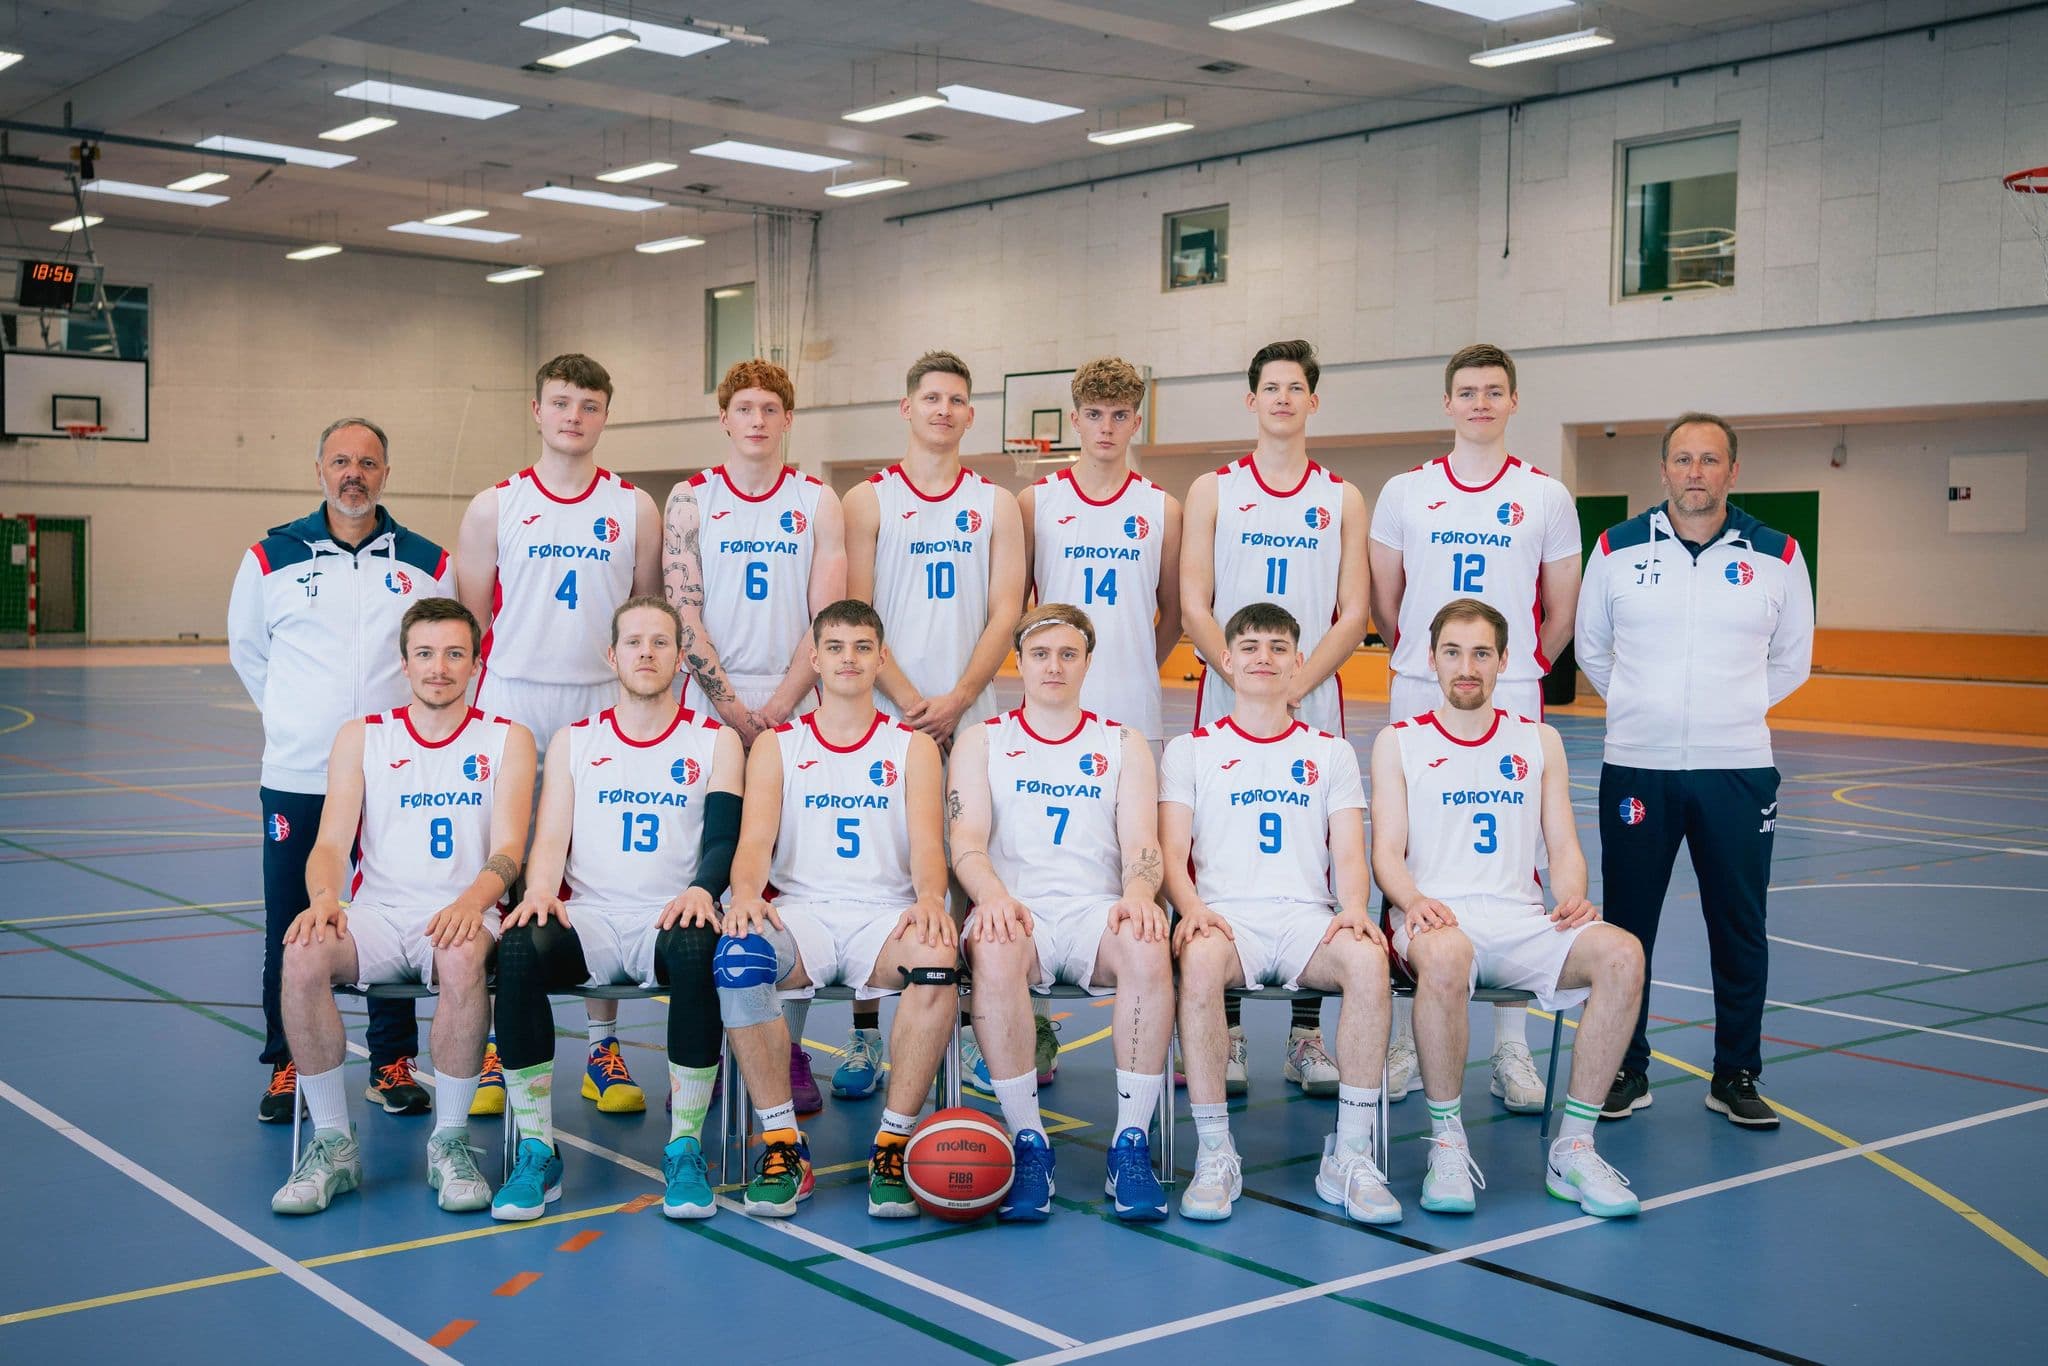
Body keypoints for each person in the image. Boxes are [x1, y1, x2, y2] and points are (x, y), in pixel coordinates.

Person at [1370, 598, 1645, 1219]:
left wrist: (1572, 893)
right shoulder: (1399, 741)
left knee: (1623, 955)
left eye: (1481, 654)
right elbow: (1386, 852)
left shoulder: (1538, 739)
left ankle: (1573, 1146)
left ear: (1503, 662)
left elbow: (1563, 846)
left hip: (1521, 919)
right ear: (1431, 660)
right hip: (1437, 919)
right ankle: (1447, 1142)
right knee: (1446, 953)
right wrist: (1412, 901)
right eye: (1453, 652)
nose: (1467, 667)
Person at [1577, 412, 1814, 1130]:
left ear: (1732, 472)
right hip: (1638, 770)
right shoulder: (1616, 547)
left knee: (1739, 926)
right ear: (1664, 470)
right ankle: (1626, 1066)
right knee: (1628, 929)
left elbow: (1791, 660)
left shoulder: (1778, 554)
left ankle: (1735, 1072)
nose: (1696, 473)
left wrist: (1726, 713)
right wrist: (1645, 709)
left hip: (1737, 771)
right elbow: (1593, 648)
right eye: (1683, 459)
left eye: (1710, 460)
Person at [1368, 343, 1582, 1112]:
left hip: (1510, 690)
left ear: (1513, 401)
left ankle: (1513, 1049)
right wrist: (1432, 664)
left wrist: (1511, 670)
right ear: (1448, 403)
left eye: (1495, 391)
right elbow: (1386, 604)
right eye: (1468, 391)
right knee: (1410, 855)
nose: (1481, 402)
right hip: (1420, 686)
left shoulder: (1547, 495)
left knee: (1515, 863)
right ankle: (1406, 1035)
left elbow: (1559, 613)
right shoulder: (1405, 491)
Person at [269, 598, 534, 1215]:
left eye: (453, 654)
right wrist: (324, 901)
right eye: (425, 654)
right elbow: (331, 842)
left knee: (466, 955)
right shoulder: (362, 736)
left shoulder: (507, 739)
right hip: (379, 914)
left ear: (475, 660)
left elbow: (510, 849)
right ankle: (333, 1142)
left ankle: (450, 1142)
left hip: (465, 910)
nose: (438, 667)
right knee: (303, 951)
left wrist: (472, 902)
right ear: (404, 661)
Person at [488, 597, 744, 1223]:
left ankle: (685, 1146)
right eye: (634, 642)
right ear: (613, 655)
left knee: (698, 945)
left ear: (681, 659)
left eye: (661, 643)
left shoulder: (716, 740)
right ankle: (538, 1150)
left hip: (669, 915)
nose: (647, 653)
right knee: (519, 945)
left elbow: (721, 840)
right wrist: (542, 891)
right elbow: (548, 842)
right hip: (594, 917)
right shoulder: (576, 739)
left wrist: (703, 891)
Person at [228, 417, 452, 1123]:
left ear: (387, 473)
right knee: (291, 924)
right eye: (340, 461)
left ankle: (390, 1062)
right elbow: (248, 654)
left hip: (394, 778)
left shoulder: (426, 561)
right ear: (318, 468)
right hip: (298, 775)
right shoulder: (270, 557)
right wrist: (302, 727)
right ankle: (289, 1063)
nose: (353, 473)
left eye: (368, 462)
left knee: (388, 919)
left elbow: (441, 655)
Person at [456, 353, 662, 1116]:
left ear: (605, 416)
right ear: (536, 410)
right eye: (561, 402)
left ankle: (602, 1048)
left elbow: (643, 616)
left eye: (589, 405)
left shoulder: (635, 508)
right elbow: (472, 620)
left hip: (599, 703)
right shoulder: (495, 505)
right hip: (513, 699)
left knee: (595, 872)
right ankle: (490, 1046)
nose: (574, 416)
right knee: (505, 870)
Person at [715, 600, 956, 1219]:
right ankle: (781, 1142)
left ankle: (893, 1145)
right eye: (836, 647)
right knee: (739, 957)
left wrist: (931, 898)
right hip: (803, 914)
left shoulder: (913, 748)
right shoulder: (777, 746)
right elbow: (753, 848)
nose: (849, 658)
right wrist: (745, 894)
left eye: (862, 646)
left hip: (885, 917)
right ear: (815, 659)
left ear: (881, 658)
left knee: (936, 956)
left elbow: (930, 847)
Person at [1162, 602, 1397, 1225]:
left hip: (1305, 918)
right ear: (1225, 660)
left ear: (1298, 663)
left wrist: (1352, 911)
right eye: (1250, 645)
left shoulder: (1332, 752)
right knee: (1200, 958)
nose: (1263, 656)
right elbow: (1171, 851)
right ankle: (1215, 1152)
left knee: (1370, 962)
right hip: (1227, 917)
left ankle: (1350, 1152)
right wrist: (1190, 910)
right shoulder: (1191, 750)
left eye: (1277, 647)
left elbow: (1349, 851)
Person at [1179, 340, 1370, 1094]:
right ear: (1251, 400)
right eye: (1271, 387)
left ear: (1313, 402)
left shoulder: (1342, 496)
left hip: (1310, 694)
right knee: (1217, 853)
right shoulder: (1214, 489)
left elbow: (1353, 611)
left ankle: (1304, 1035)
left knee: (1312, 860)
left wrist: (1293, 686)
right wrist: (1242, 674)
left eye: (1296, 387)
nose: (1283, 398)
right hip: (1229, 690)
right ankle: (1225, 1033)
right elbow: (1196, 601)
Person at [837, 351, 1025, 1097]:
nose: (943, 410)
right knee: (872, 868)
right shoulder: (868, 499)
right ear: (907, 408)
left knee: (965, 868)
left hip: (968, 715)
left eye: (956, 400)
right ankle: (861, 1037)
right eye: (931, 398)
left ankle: (972, 1027)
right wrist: (915, 701)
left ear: (971, 415)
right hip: (883, 715)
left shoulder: (995, 503)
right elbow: (855, 615)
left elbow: (1006, 609)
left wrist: (957, 700)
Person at [947, 604, 1173, 1223]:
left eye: (1068, 654)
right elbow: (965, 841)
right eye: (1041, 654)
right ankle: (1028, 1143)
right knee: (993, 948)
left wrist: (1139, 894)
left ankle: (1130, 1144)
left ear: (1087, 663)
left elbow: (1143, 844)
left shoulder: (1122, 742)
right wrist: (991, 896)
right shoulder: (984, 739)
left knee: (1150, 944)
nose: (1054, 666)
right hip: (1015, 906)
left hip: (1095, 910)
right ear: (1020, 662)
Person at [663, 358, 847, 1116]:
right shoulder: (690, 498)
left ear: (788, 420)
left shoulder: (816, 500)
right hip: (714, 706)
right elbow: (684, 610)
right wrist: (735, 706)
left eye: (772, 407)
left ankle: (789, 1049)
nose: (759, 419)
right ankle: (700, 1060)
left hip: (796, 704)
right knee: (709, 881)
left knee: (786, 881)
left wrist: (777, 705)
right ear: (724, 418)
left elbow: (827, 618)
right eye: (745, 406)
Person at [1018, 358, 1181, 745]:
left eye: (1120, 415)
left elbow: (1175, 614)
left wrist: (1137, 665)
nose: (1106, 428)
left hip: (1134, 707)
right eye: (1094, 414)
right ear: (1075, 420)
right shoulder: (1035, 502)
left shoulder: (1163, 509)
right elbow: (1013, 608)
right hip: (1050, 708)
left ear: (1136, 424)